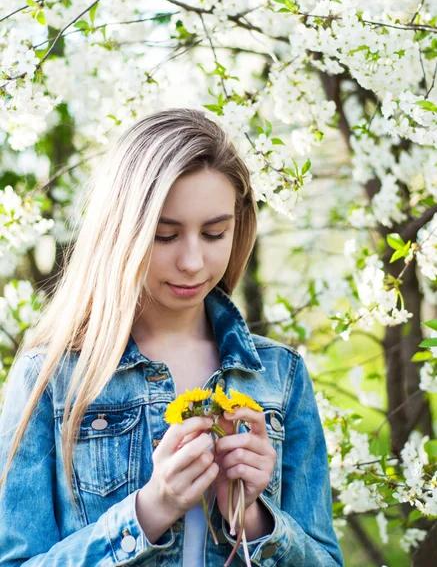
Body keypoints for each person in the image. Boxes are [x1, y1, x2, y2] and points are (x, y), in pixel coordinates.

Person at [0, 108, 344, 566]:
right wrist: (149, 511)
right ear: (121, 233)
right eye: (165, 236)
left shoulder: (281, 377)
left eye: (215, 233)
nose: (192, 261)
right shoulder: (53, 379)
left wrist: (256, 521)